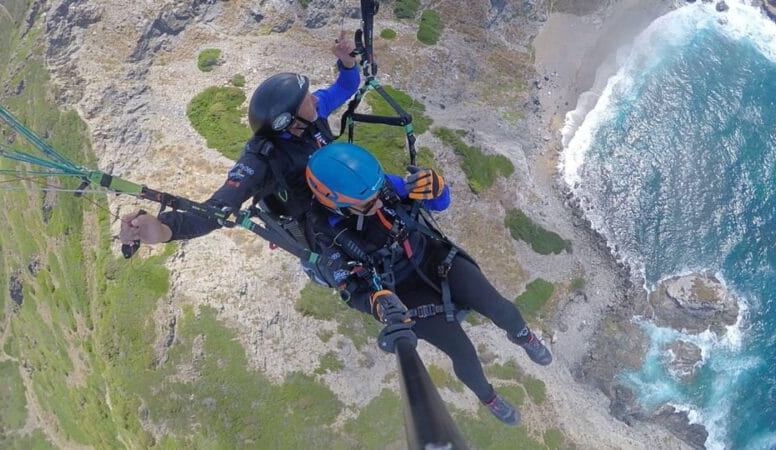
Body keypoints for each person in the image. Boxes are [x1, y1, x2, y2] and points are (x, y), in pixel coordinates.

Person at [304, 142, 553, 425]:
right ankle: (488, 397)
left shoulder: (380, 187)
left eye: (379, 193)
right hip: (402, 294)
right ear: (339, 204)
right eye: (370, 203)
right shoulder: (327, 237)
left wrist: (438, 188)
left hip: (435, 258)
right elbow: (350, 290)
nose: (381, 202)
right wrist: (377, 303)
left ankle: (524, 337)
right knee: (463, 352)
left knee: (501, 308)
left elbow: (438, 203)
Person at [119, 31, 359, 247]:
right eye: (308, 98)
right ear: (289, 120)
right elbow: (218, 208)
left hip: (347, 189)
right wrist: (164, 230)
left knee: (397, 189)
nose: (316, 99)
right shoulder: (263, 160)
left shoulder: (312, 113)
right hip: (319, 218)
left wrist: (347, 63)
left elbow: (345, 87)